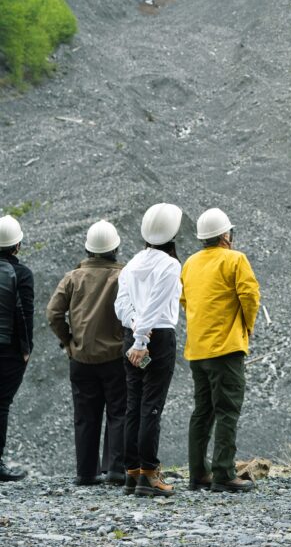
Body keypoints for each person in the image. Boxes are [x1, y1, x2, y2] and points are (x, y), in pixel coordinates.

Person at [180, 207, 260, 494]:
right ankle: (224, 474)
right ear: (226, 235)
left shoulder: (189, 263)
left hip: (197, 351)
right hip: (226, 349)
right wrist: (246, 327)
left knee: (202, 411)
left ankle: (197, 473)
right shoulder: (235, 259)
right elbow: (250, 296)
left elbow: (185, 300)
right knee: (227, 410)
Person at [47, 219, 127, 486]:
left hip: (81, 359)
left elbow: (53, 313)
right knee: (118, 412)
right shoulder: (123, 276)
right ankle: (115, 469)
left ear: (88, 249)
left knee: (85, 415)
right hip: (116, 358)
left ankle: (86, 473)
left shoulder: (73, 278)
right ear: (115, 248)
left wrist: (68, 341)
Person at [115, 202, 183, 498]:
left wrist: (134, 328)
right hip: (157, 337)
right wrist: (142, 339)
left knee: (134, 405)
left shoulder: (131, 265)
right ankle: (149, 474)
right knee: (151, 407)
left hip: (133, 333)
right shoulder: (169, 265)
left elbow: (121, 305)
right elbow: (156, 303)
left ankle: (131, 473)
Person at [0, 215, 33, 482]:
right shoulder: (21, 274)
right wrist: (26, 348)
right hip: (8, 350)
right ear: (17, 245)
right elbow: (24, 313)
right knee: (1, 404)